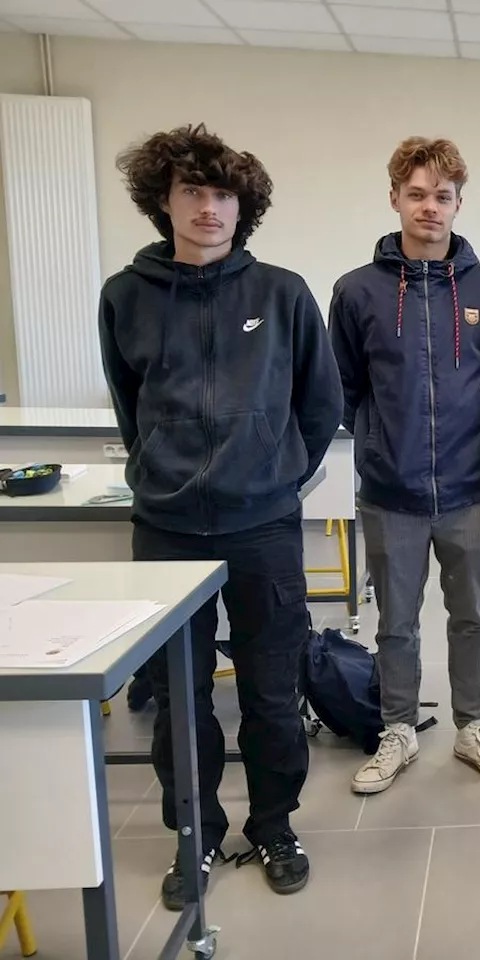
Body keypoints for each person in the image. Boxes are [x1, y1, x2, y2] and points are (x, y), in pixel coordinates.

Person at [99, 123, 342, 907]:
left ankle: (274, 823)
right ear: (161, 201)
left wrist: (276, 477)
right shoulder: (125, 297)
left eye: (223, 195)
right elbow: (131, 410)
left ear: (245, 208)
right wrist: (164, 473)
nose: (209, 208)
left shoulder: (282, 293)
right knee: (179, 694)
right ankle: (194, 834)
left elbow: (320, 405)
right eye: (192, 192)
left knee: (272, 691)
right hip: (166, 531)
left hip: (263, 528)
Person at [329, 137, 480, 795]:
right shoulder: (357, 292)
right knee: (397, 623)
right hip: (390, 493)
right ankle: (398, 729)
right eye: (417, 194)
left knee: (472, 617)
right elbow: (345, 389)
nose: (430, 208)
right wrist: (382, 442)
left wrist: (476, 440)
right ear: (394, 199)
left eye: (442, 196)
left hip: (472, 490)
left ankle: (472, 726)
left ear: (459, 204)